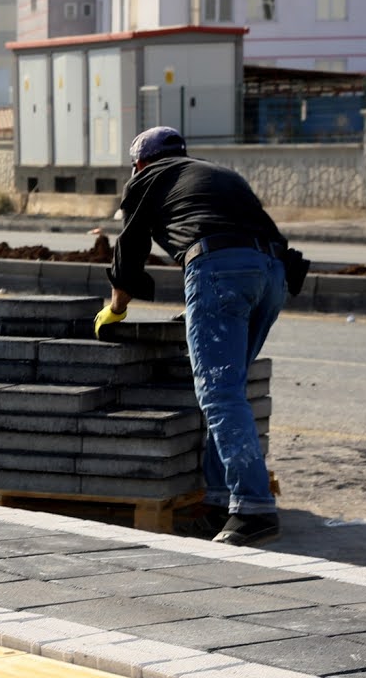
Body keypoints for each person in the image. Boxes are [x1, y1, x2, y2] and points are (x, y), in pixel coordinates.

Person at [97, 126, 288, 546]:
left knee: (219, 393)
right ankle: (219, 500)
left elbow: (130, 247)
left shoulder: (147, 179)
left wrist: (117, 307)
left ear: (139, 163)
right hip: (273, 273)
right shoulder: (218, 174)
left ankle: (254, 509)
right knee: (230, 388)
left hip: (220, 268)